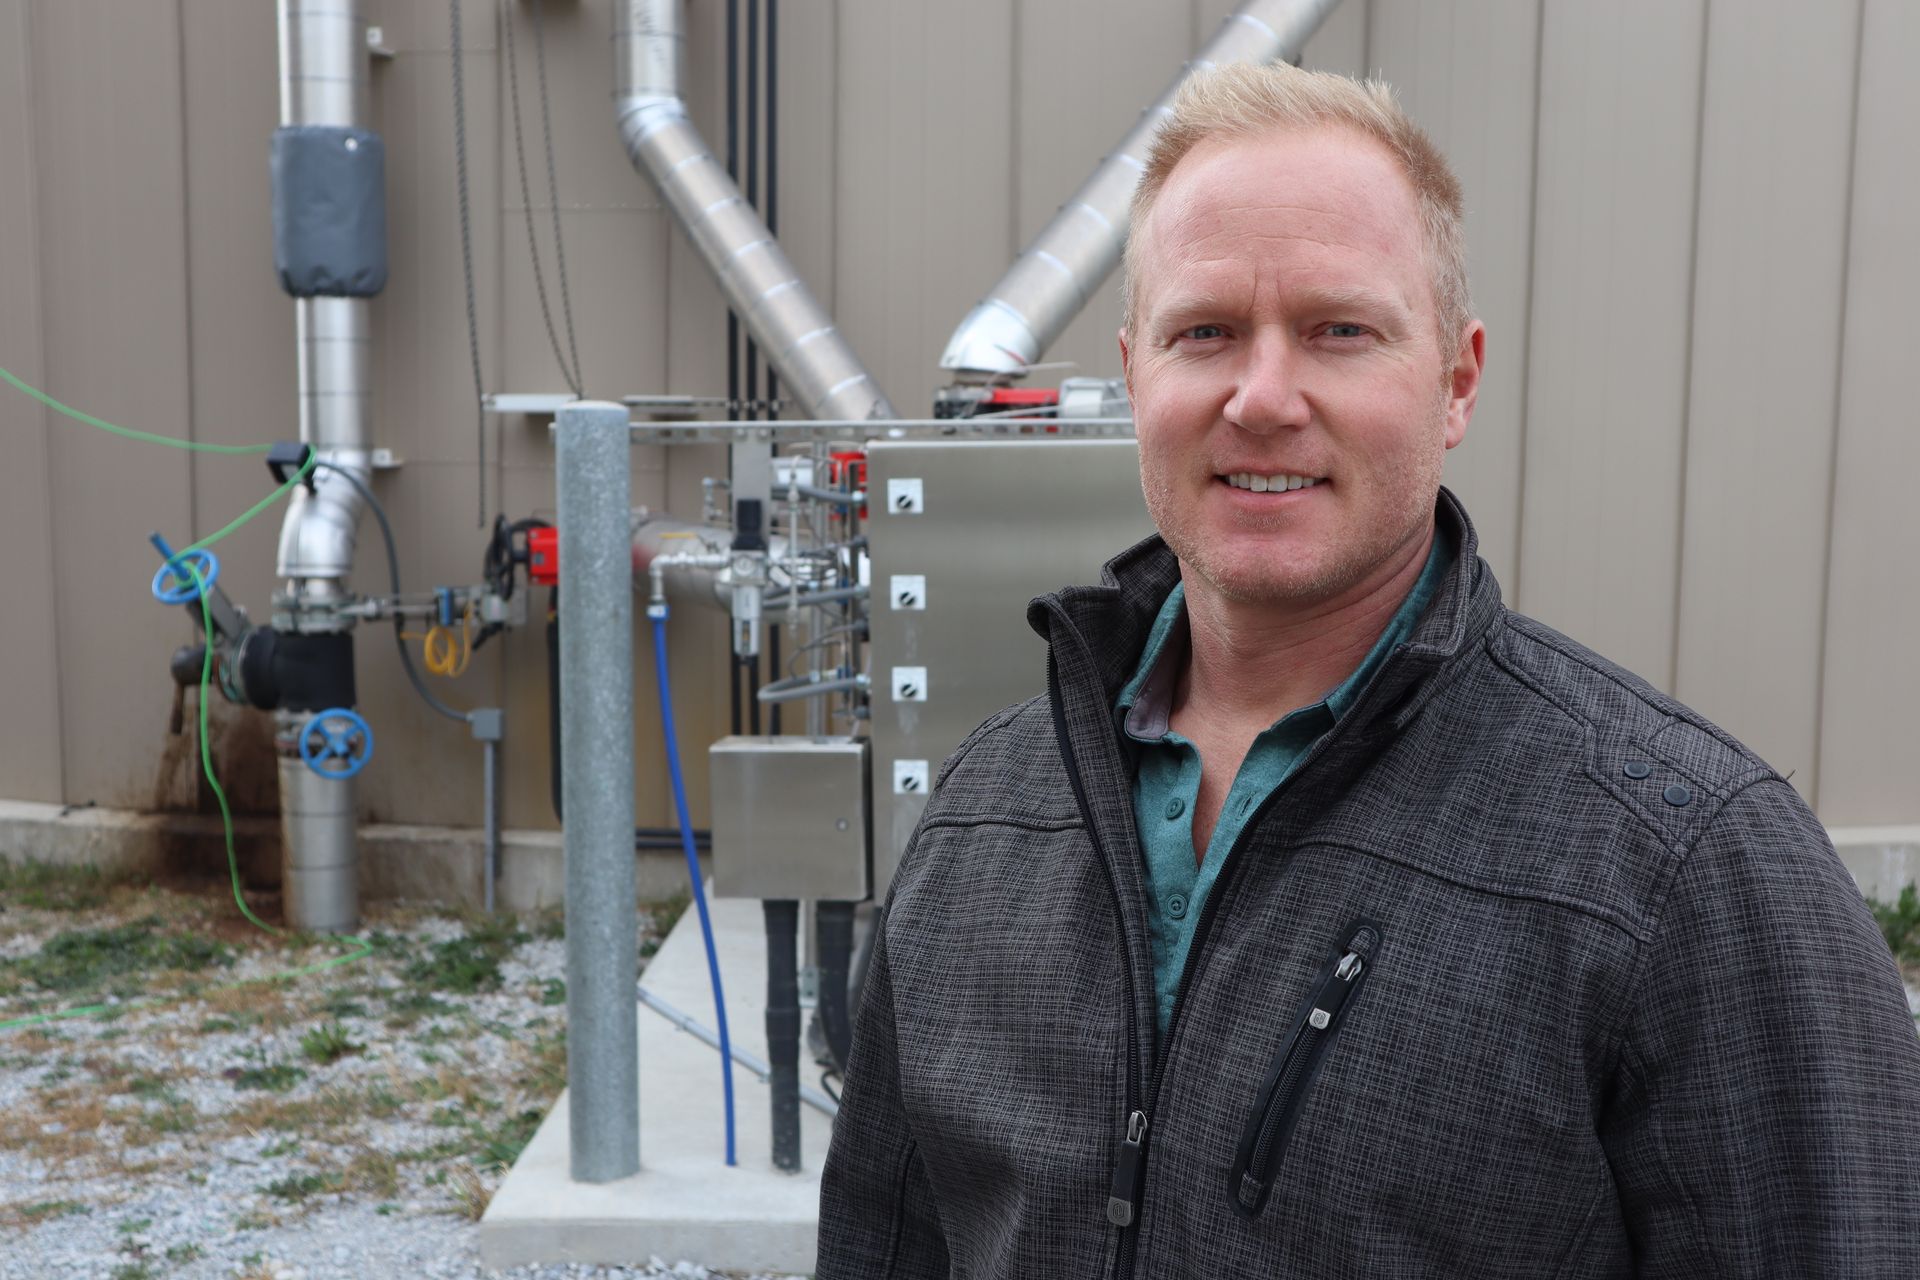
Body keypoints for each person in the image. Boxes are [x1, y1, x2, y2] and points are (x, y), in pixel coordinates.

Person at [818, 61, 1920, 1277]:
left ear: (1455, 377)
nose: (1263, 396)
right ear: (1134, 376)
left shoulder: (1688, 869)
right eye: (1207, 332)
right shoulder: (987, 814)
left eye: (1341, 330)